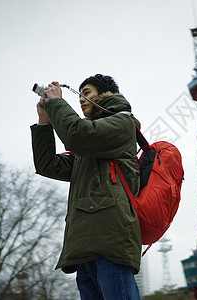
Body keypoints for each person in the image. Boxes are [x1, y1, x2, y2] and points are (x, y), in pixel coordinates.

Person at [30, 74, 142, 299]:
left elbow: (77, 136)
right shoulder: (89, 148)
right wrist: (44, 122)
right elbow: (47, 165)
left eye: (87, 93)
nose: (81, 99)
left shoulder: (122, 123)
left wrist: (57, 103)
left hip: (111, 241)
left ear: (105, 94)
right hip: (83, 246)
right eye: (79, 94)